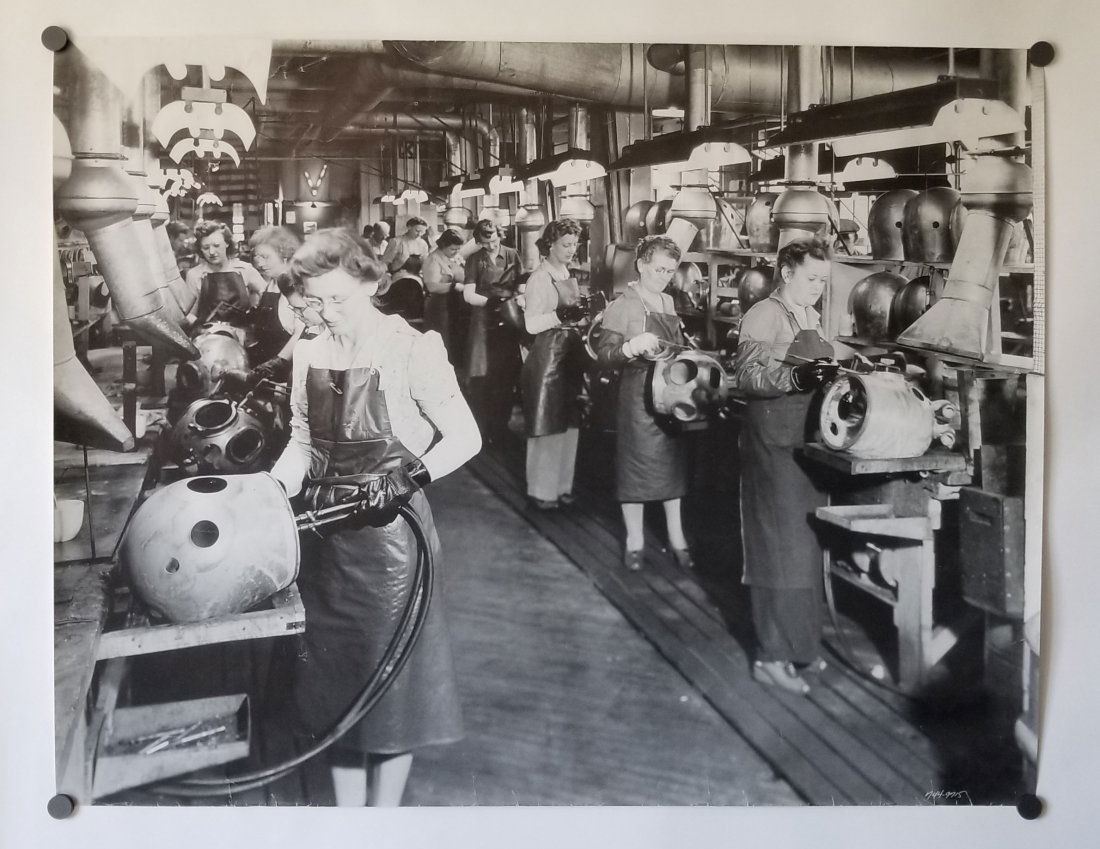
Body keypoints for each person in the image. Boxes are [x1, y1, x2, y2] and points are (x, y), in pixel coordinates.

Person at [270, 228, 479, 806]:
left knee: (393, 690)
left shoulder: (413, 346)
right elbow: (305, 442)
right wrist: (271, 490)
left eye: (338, 299)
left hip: (392, 542)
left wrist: (409, 478)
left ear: (371, 283)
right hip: (325, 536)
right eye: (315, 299)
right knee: (329, 686)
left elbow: (466, 437)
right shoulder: (310, 349)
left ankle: (380, 823)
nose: (325, 312)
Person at [730, 236, 843, 696]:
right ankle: (770, 656)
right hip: (772, 444)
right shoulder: (764, 314)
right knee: (776, 550)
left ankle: (800, 647)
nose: (818, 287)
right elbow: (748, 376)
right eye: (812, 278)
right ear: (788, 272)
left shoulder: (808, 315)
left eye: (823, 280)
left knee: (803, 546)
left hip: (803, 442)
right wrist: (795, 376)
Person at [595, 235, 693, 572]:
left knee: (672, 470)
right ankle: (634, 541)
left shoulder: (668, 302)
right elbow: (604, 357)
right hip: (636, 397)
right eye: (659, 269)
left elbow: (677, 348)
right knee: (634, 471)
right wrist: (630, 347)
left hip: (669, 395)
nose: (664, 276)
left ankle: (677, 538)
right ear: (640, 265)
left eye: (670, 271)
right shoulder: (622, 305)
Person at [520, 218, 588, 510]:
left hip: (569, 353)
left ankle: (561, 486)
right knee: (547, 423)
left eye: (574, 244)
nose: (571, 250)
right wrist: (561, 316)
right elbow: (532, 324)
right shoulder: (539, 278)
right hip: (548, 355)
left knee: (569, 423)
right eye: (566, 245)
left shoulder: (565, 272)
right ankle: (541, 490)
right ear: (550, 244)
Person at [462, 219, 523, 443]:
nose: (490, 247)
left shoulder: (512, 254)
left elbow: (520, 284)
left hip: (508, 317)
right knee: (482, 375)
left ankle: (501, 427)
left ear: (500, 235)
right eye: (484, 244)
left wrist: (518, 299)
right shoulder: (474, 260)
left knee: (506, 374)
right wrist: (489, 302)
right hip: (483, 320)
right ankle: (482, 429)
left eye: (494, 241)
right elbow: (468, 294)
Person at [183, 220, 267, 329]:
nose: (212, 252)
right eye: (206, 247)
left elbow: (268, 297)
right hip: (208, 338)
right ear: (200, 249)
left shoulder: (245, 269)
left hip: (242, 339)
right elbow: (190, 314)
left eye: (216, 245)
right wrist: (201, 329)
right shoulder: (194, 275)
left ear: (227, 243)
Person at [247, 225, 301, 367]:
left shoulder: (295, 287)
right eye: (257, 257)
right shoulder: (271, 284)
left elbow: (301, 334)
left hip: (288, 369)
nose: (260, 263)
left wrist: (277, 363)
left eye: (265, 257)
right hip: (265, 367)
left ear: (284, 254)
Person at [420, 228, 465, 355]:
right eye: (453, 249)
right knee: (440, 340)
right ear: (443, 245)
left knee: (450, 340)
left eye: (458, 249)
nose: (455, 252)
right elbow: (431, 286)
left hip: (449, 304)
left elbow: (459, 274)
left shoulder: (447, 257)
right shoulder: (433, 260)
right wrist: (453, 286)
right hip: (437, 306)